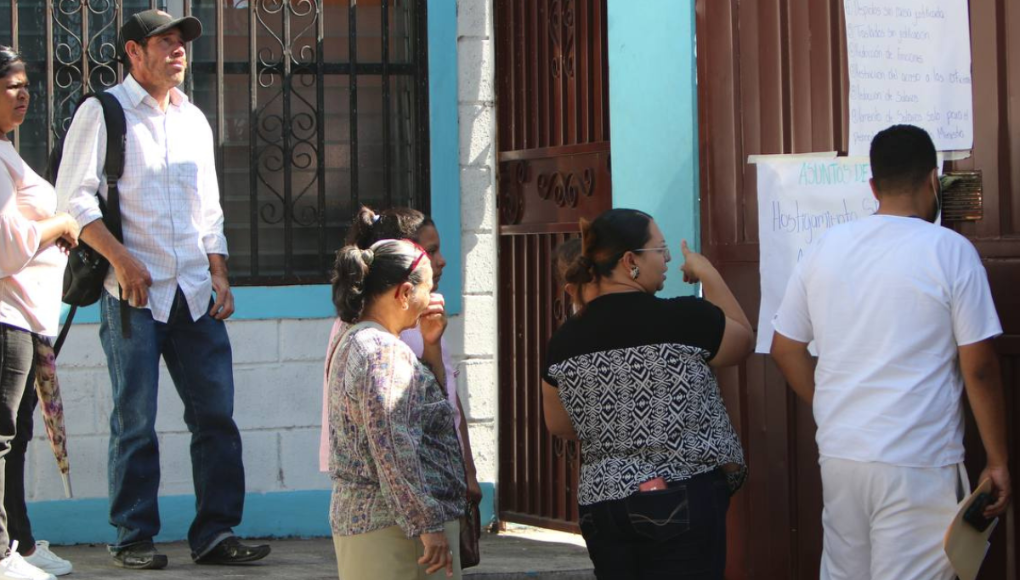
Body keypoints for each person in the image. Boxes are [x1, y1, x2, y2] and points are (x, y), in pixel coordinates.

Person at [54, 10, 270, 569]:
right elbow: (73, 203)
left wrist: (219, 271)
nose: (178, 52)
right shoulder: (103, 113)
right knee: (135, 420)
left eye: (182, 44)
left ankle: (216, 533)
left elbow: (210, 209)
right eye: (165, 43)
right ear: (133, 51)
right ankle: (133, 536)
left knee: (216, 418)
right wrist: (122, 262)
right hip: (134, 295)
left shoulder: (194, 119)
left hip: (195, 292)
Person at [770, 124, 1011, 580]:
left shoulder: (823, 249)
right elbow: (978, 369)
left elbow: (785, 349)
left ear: (873, 186)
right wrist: (998, 460)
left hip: (842, 457)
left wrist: (830, 403)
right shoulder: (951, 251)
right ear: (932, 180)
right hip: (916, 462)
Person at [541, 209, 753, 579]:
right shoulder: (684, 318)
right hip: (678, 497)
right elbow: (742, 342)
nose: (668, 258)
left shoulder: (564, 340)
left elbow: (558, 423)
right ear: (629, 261)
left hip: (602, 505)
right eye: (660, 248)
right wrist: (707, 272)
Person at [318, 206, 482, 505]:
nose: (441, 261)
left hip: (429, 477)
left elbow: (446, 399)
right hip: (410, 490)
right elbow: (394, 434)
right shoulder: (386, 334)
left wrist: (466, 470)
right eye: (430, 252)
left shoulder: (409, 319)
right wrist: (428, 525)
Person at [328, 238, 466, 579]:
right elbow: (392, 446)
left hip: (380, 527)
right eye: (428, 289)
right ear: (405, 293)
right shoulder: (383, 352)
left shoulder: (355, 339)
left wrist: (431, 344)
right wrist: (427, 523)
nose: (433, 300)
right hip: (400, 535)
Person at [0, 46, 79, 580]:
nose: (23, 93)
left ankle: (18, 544)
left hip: (25, 317)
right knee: (2, 436)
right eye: (11, 85)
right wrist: (60, 224)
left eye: (25, 84)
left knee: (15, 436)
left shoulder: (7, 153)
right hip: (6, 316)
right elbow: (7, 246)